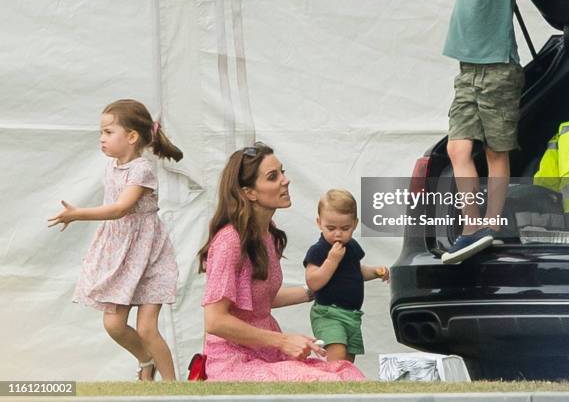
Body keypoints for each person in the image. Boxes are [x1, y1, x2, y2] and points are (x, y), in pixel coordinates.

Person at [198, 142, 365, 381]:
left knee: (347, 373)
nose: (285, 180)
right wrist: (283, 340)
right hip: (234, 361)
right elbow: (214, 320)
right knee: (329, 382)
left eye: (282, 172)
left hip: (267, 353)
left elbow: (260, 300)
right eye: (273, 177)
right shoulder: (229, 241)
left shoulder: (269, 234)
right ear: (250, 192)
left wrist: (318, 289)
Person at [48, 99, 182, 381]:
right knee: (113, 324)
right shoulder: (111, 167)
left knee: (147, 328)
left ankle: (173, 386)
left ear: (131, 137)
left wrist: (78, 214)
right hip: (121, 257)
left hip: (148, 257)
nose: (102, 138)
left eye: (108, 132)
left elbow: (121, 208)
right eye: (102, 132)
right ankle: (146, 361)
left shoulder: (142, 170)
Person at [428, 0, 526, 264]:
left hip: (499, 71)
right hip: (467, 71)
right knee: (457, 148)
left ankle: (492, 222)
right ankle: (472, 227)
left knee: (495, 150)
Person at [303, 189, 389, 362]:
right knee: (338, 355)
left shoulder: (351, 246)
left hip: (352, 315)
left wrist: (375, 272)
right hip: (328, 313)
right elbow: (313, 282)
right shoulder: (318, 250)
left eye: (345, 228)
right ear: (319, 223)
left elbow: (355, 272)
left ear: (355, 224)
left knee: (348, 361)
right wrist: (331, 261)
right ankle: (334, 386)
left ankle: (345, 386)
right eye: (331, 228)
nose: (338, 234)